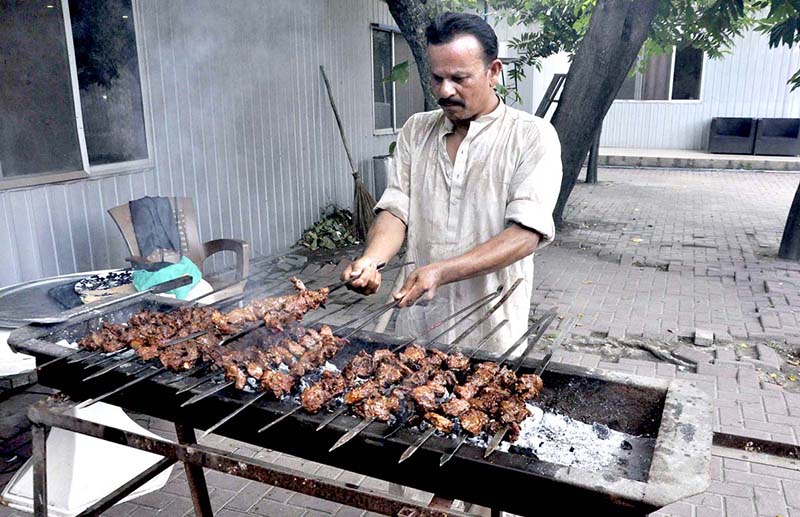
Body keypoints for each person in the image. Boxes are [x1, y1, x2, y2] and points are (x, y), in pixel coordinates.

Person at [342, 12, 562, 353]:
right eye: (437, 78)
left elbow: (525, 235)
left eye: (460, 78)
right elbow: (396, 209)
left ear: (493, 72)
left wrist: (442, 271)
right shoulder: (417, 129)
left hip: (491, 329)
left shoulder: (532, 137)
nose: (445, 91)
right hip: (416, 325)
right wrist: (372, 260)